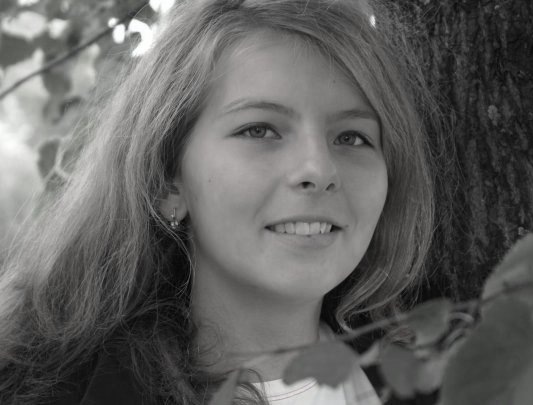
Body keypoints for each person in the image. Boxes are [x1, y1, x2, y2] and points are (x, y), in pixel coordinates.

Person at [0, 0, 438, 403]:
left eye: (352, 137)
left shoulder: (446, 373)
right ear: (167, 182)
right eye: (259, 130)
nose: (319, 169)